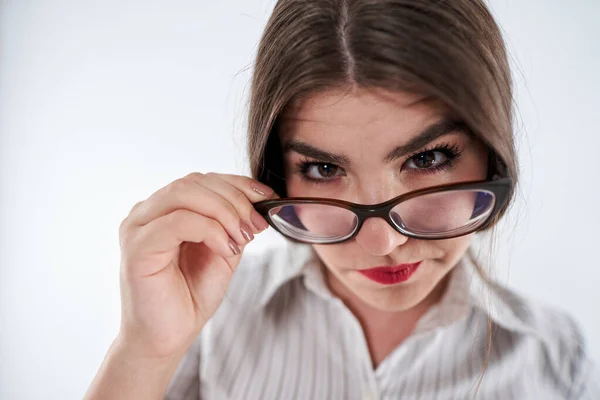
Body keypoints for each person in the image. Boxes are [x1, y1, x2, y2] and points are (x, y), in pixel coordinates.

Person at [84, 0, 598, 399]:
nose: (381, 243)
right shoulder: (213, 318)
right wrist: (146, 350)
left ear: (492, 154)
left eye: (426, 159)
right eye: (324, 169)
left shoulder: (555, 358)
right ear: (274, 172)